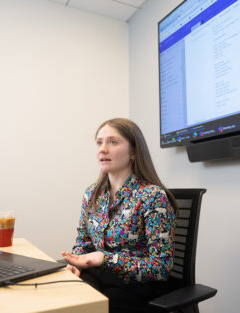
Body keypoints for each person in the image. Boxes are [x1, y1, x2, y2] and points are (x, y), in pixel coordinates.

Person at [61, 118, 178, 313]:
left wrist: (104, 258)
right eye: (99, 142)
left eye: (112, 142)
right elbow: (83, 242)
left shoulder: (152, 196)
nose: (102, 149)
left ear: (133, 152)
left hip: (136, 289)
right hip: (99, 278)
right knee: (61, 299)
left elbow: (161, 267)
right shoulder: (92, 194)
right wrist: (77, 265)